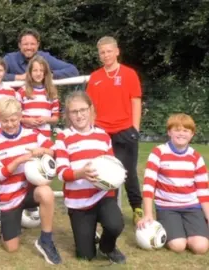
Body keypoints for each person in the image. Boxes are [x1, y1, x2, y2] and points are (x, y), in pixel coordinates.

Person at [0, 97, 61, 265]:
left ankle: (46, 240)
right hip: (9, 196)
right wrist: (19, 160)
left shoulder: (34, 135)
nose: (10, 124)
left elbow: (57, 151)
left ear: (20, 116)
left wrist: (43, 150)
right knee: (11, 248)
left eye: (13, 119)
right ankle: (7, 225)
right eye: (5, 120)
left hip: (30, 191)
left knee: (46, 192)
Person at [55, 91, 126, 264]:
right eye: (74, 112)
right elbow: (61, 172)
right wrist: (80, 173)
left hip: (102, 195)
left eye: (83, 110)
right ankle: (89, 234)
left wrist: (116, 176)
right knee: (86, 256)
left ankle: (107, 247)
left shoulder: (103, 136)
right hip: (78, 202)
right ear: (68, 115)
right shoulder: (63, 137)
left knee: (115, 224)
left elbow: (113, 165)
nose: (79, 115)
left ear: (90, 110)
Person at [86, 36, 144, 225]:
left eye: (109, 51)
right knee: (107, 172)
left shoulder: (129, 74)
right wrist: (92, 130)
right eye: (102, 52)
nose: (106, 55)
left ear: (117, 51)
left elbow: (135, 100)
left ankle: (137, 209)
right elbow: (90, 107)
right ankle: (111, 212)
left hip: (125, 130)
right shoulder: (95, 77)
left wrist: (135, 127)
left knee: (128, 172)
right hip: (102, 132)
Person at [137, 113, 209, 254]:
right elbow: (148, 186)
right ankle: (179, 232)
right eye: (177, 130)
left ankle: (197, 227)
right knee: (178, 246)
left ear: (192, 134)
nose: (181, 134)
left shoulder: (196, 157)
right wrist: (147, 213)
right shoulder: (158, 153)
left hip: (192, 207)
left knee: (200, 247)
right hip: (167, 207)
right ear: (169, 132)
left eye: (185, 130)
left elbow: (203, 191)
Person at [3, 28, 79, 81]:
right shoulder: (10, 59)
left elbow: (73, 70)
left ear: (38, 45)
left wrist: (49, 75)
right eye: (25, 44)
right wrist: (19, 77)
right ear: (19, 45)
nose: (29, 47)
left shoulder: (45, 58)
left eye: (32, 44)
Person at [18, 55, 60, 138]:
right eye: (35, 70)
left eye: (41, 71)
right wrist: (26, 120)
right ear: (30, 72)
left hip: (45, 136)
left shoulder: (51, 93)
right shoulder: (22, 91)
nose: (38, 73)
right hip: (26, 135)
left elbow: (55, 118)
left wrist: (46, 119)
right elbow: (15, 116)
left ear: (45, 73)